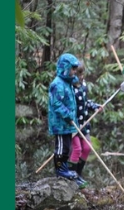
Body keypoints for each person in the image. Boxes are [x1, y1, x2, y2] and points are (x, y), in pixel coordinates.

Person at [68, 64, 103, 189]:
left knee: (87, 148)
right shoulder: (69, 88)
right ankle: (71, 176)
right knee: (77, 149)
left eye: (82, 74)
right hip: (73, 125)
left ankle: (78, 174)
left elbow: (86, 102)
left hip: (84, 123)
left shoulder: (84, 86)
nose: (81, 77)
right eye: (79, 75)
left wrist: (95, 106)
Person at [47, 53, 81, 181]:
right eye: (72, 69)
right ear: (65, 68)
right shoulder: (57, 84)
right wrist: (68, 115)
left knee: (67, 147)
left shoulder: (67, 82)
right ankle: (60, 169)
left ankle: (65, 167)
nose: (74, 71)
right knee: (61, 147)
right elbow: (56, 103)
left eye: (75, 69)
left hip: (67, 123)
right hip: (60, 123)